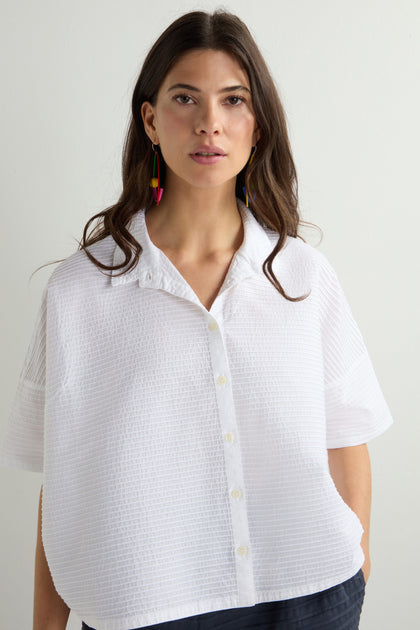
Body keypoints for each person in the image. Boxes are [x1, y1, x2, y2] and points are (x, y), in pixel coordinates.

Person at [0, 9, 394, 630]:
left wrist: (357, 564)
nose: (210, 123)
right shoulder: (81, 292)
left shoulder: (303, 276)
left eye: (233, 100)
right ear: (151, 120)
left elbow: (347, 437)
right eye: (186, 98)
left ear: (257, 124)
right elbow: (66, 479)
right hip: (148, 606)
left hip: (311, 595)